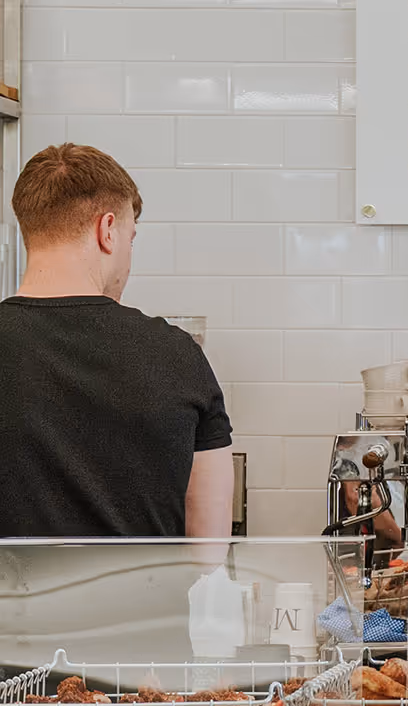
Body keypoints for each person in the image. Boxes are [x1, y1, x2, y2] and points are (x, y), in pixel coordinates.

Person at [0, 142, 233, 539]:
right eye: (131, 238)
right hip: (143, 602)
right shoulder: (177, 353)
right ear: (107, 230)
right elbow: (208, 546)